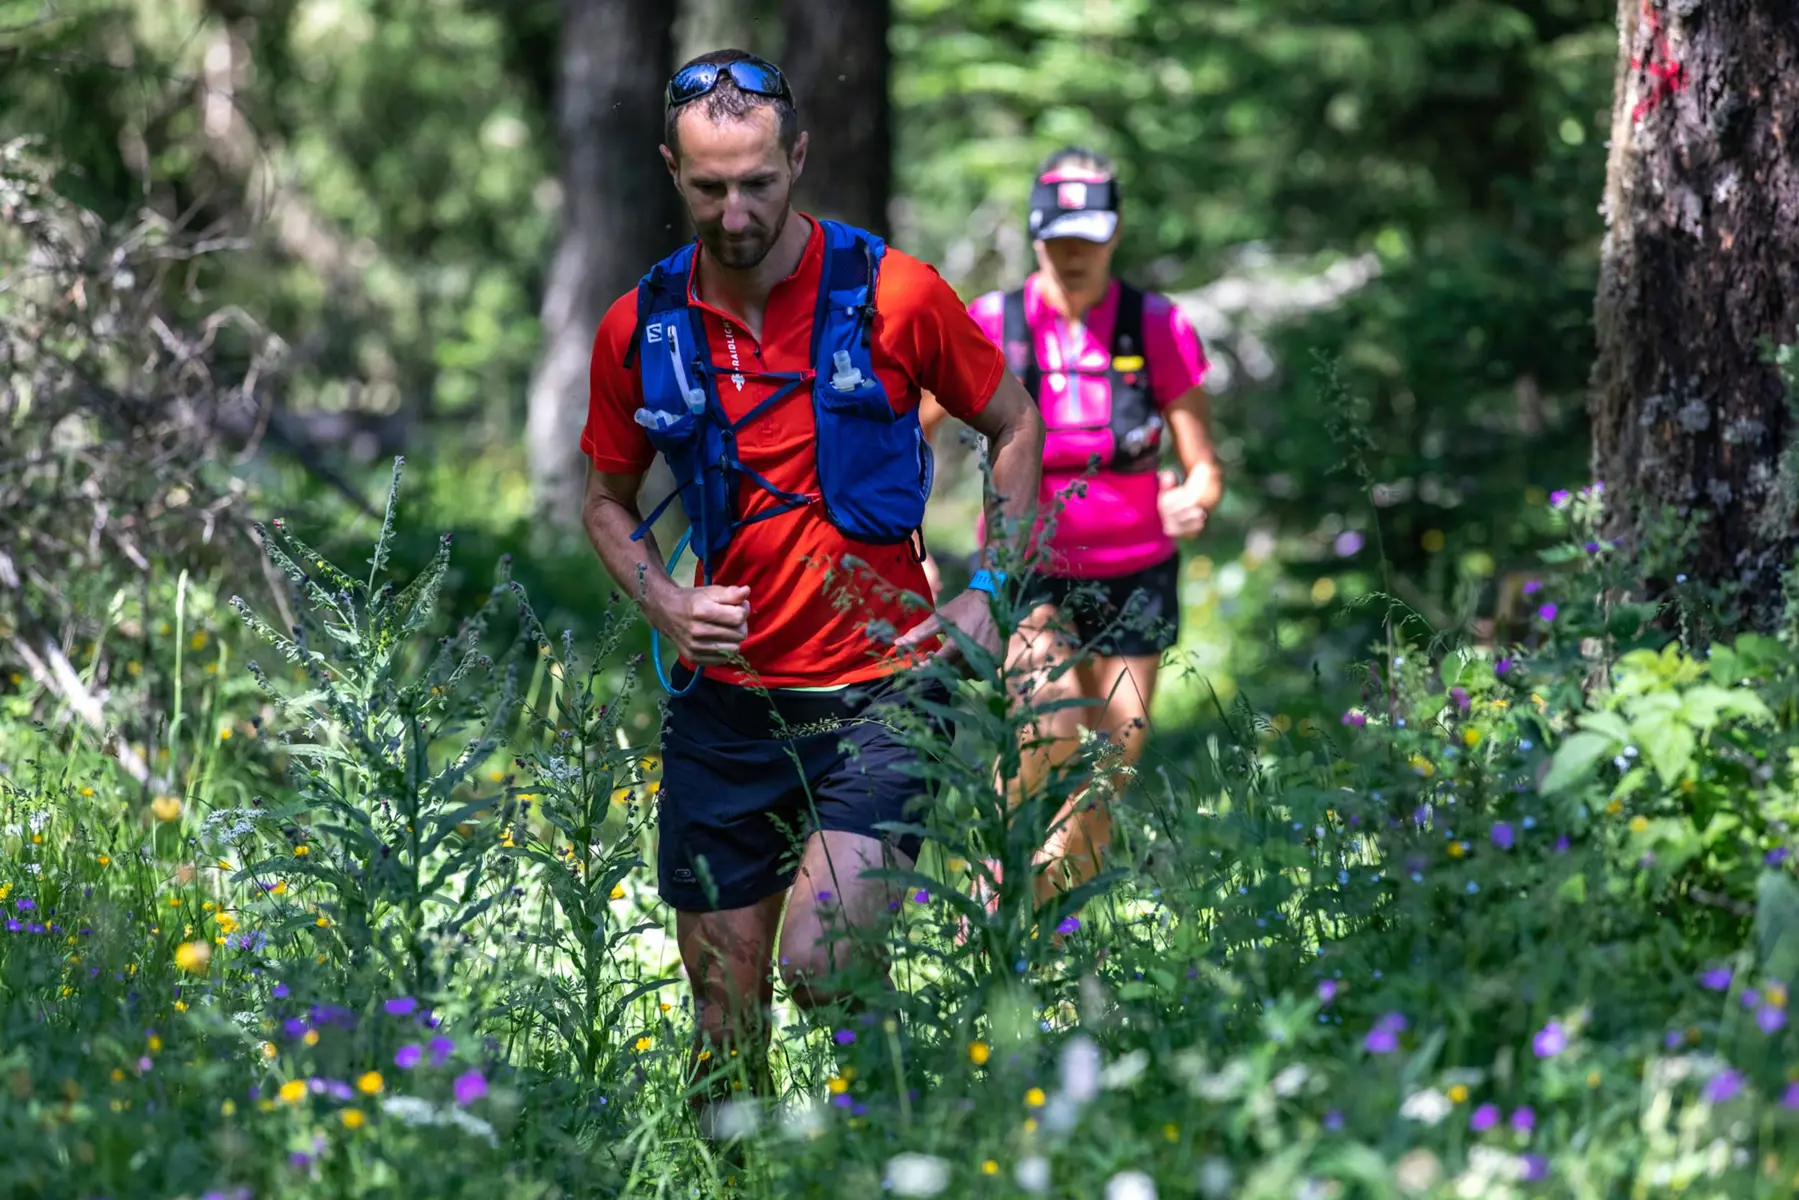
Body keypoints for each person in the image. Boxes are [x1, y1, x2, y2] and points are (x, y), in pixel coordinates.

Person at [578, 49, 1044, 1112]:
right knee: (722, 1015)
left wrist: (991, 585)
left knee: (824, 965)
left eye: (757, 181)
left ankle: (891, 1144)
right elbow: (605, 501)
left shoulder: (895, 294)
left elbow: (1013, 424)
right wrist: (663, 599)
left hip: (883, 694)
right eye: (706, 186)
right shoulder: (638, 329)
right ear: (669, 169)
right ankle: (741, 1176)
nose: (734, 210)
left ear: (797, 156)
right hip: (725, 710)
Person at [921, 147, 1222, 911]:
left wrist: (1194, 496)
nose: (1076, 255)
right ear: (1034, 237)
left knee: (1107, 768)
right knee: (1047, 727)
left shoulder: (1155, 326)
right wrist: (909, 544)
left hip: (1136, 573)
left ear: (1115, 234)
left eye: (1091, 237)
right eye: (1061, 239)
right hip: (1028, 568)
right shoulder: (989, 325)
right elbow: (902, 436)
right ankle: (989, 905)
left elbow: (1202, 466)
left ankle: (1045, 933)